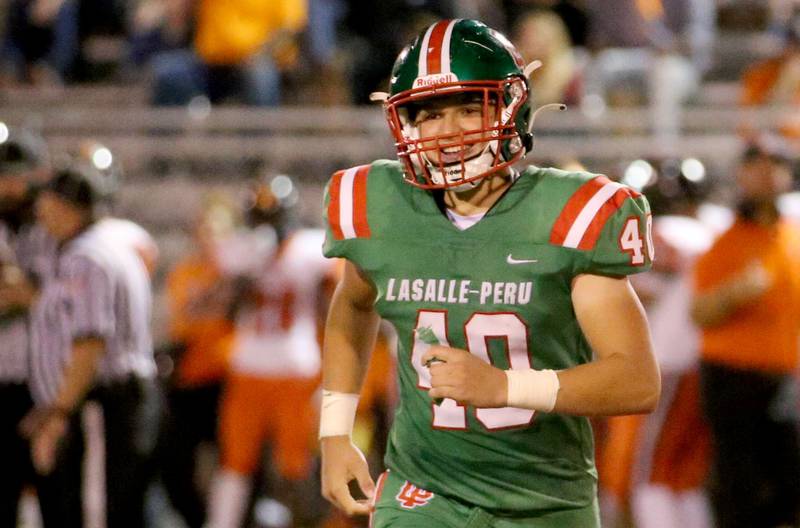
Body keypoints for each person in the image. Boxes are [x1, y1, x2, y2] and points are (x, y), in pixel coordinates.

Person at [319, 18, 660, 528]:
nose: (450, 131)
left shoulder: (573, 214)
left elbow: (636, 381)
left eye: (468, 108)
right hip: (422, 487)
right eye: (430, 114)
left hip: (544, 499)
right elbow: (352, 302)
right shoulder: (376, 206)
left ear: (510, 106)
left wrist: (504, 386)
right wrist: (334, 430)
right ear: (404, 123)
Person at [26, 161, 160, 528]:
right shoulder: (109, 244)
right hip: (117, 397)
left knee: (96, 510)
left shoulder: (87, 256)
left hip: (106, 400)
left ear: (66, 205)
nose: (40, 211)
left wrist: (57, 411)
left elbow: (90, 342)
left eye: (48, 201)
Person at [206, 175, 336, 528]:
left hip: (294, 371)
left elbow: (335, 303)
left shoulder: (309, 250)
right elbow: (222, 308)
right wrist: (242, 280)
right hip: (252, 368)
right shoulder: (242, 253)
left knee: (294, 464)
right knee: (235, 462)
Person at [690, 137, 800, 528]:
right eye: (757, 164)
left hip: (784, 377)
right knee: (740, 483)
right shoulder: (725, 240)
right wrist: (734, 293)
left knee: (789, 484)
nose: (767, 173)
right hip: (732, 376)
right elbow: (699, 313)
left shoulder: (791, 236)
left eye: (776, 164)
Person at [0, 125, 55, 526]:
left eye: (17, 175)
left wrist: (27, 290)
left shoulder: (54, 223)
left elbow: (50, 295)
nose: (9, 185)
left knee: (54, 492)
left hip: (46, 381)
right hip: (3, 376)